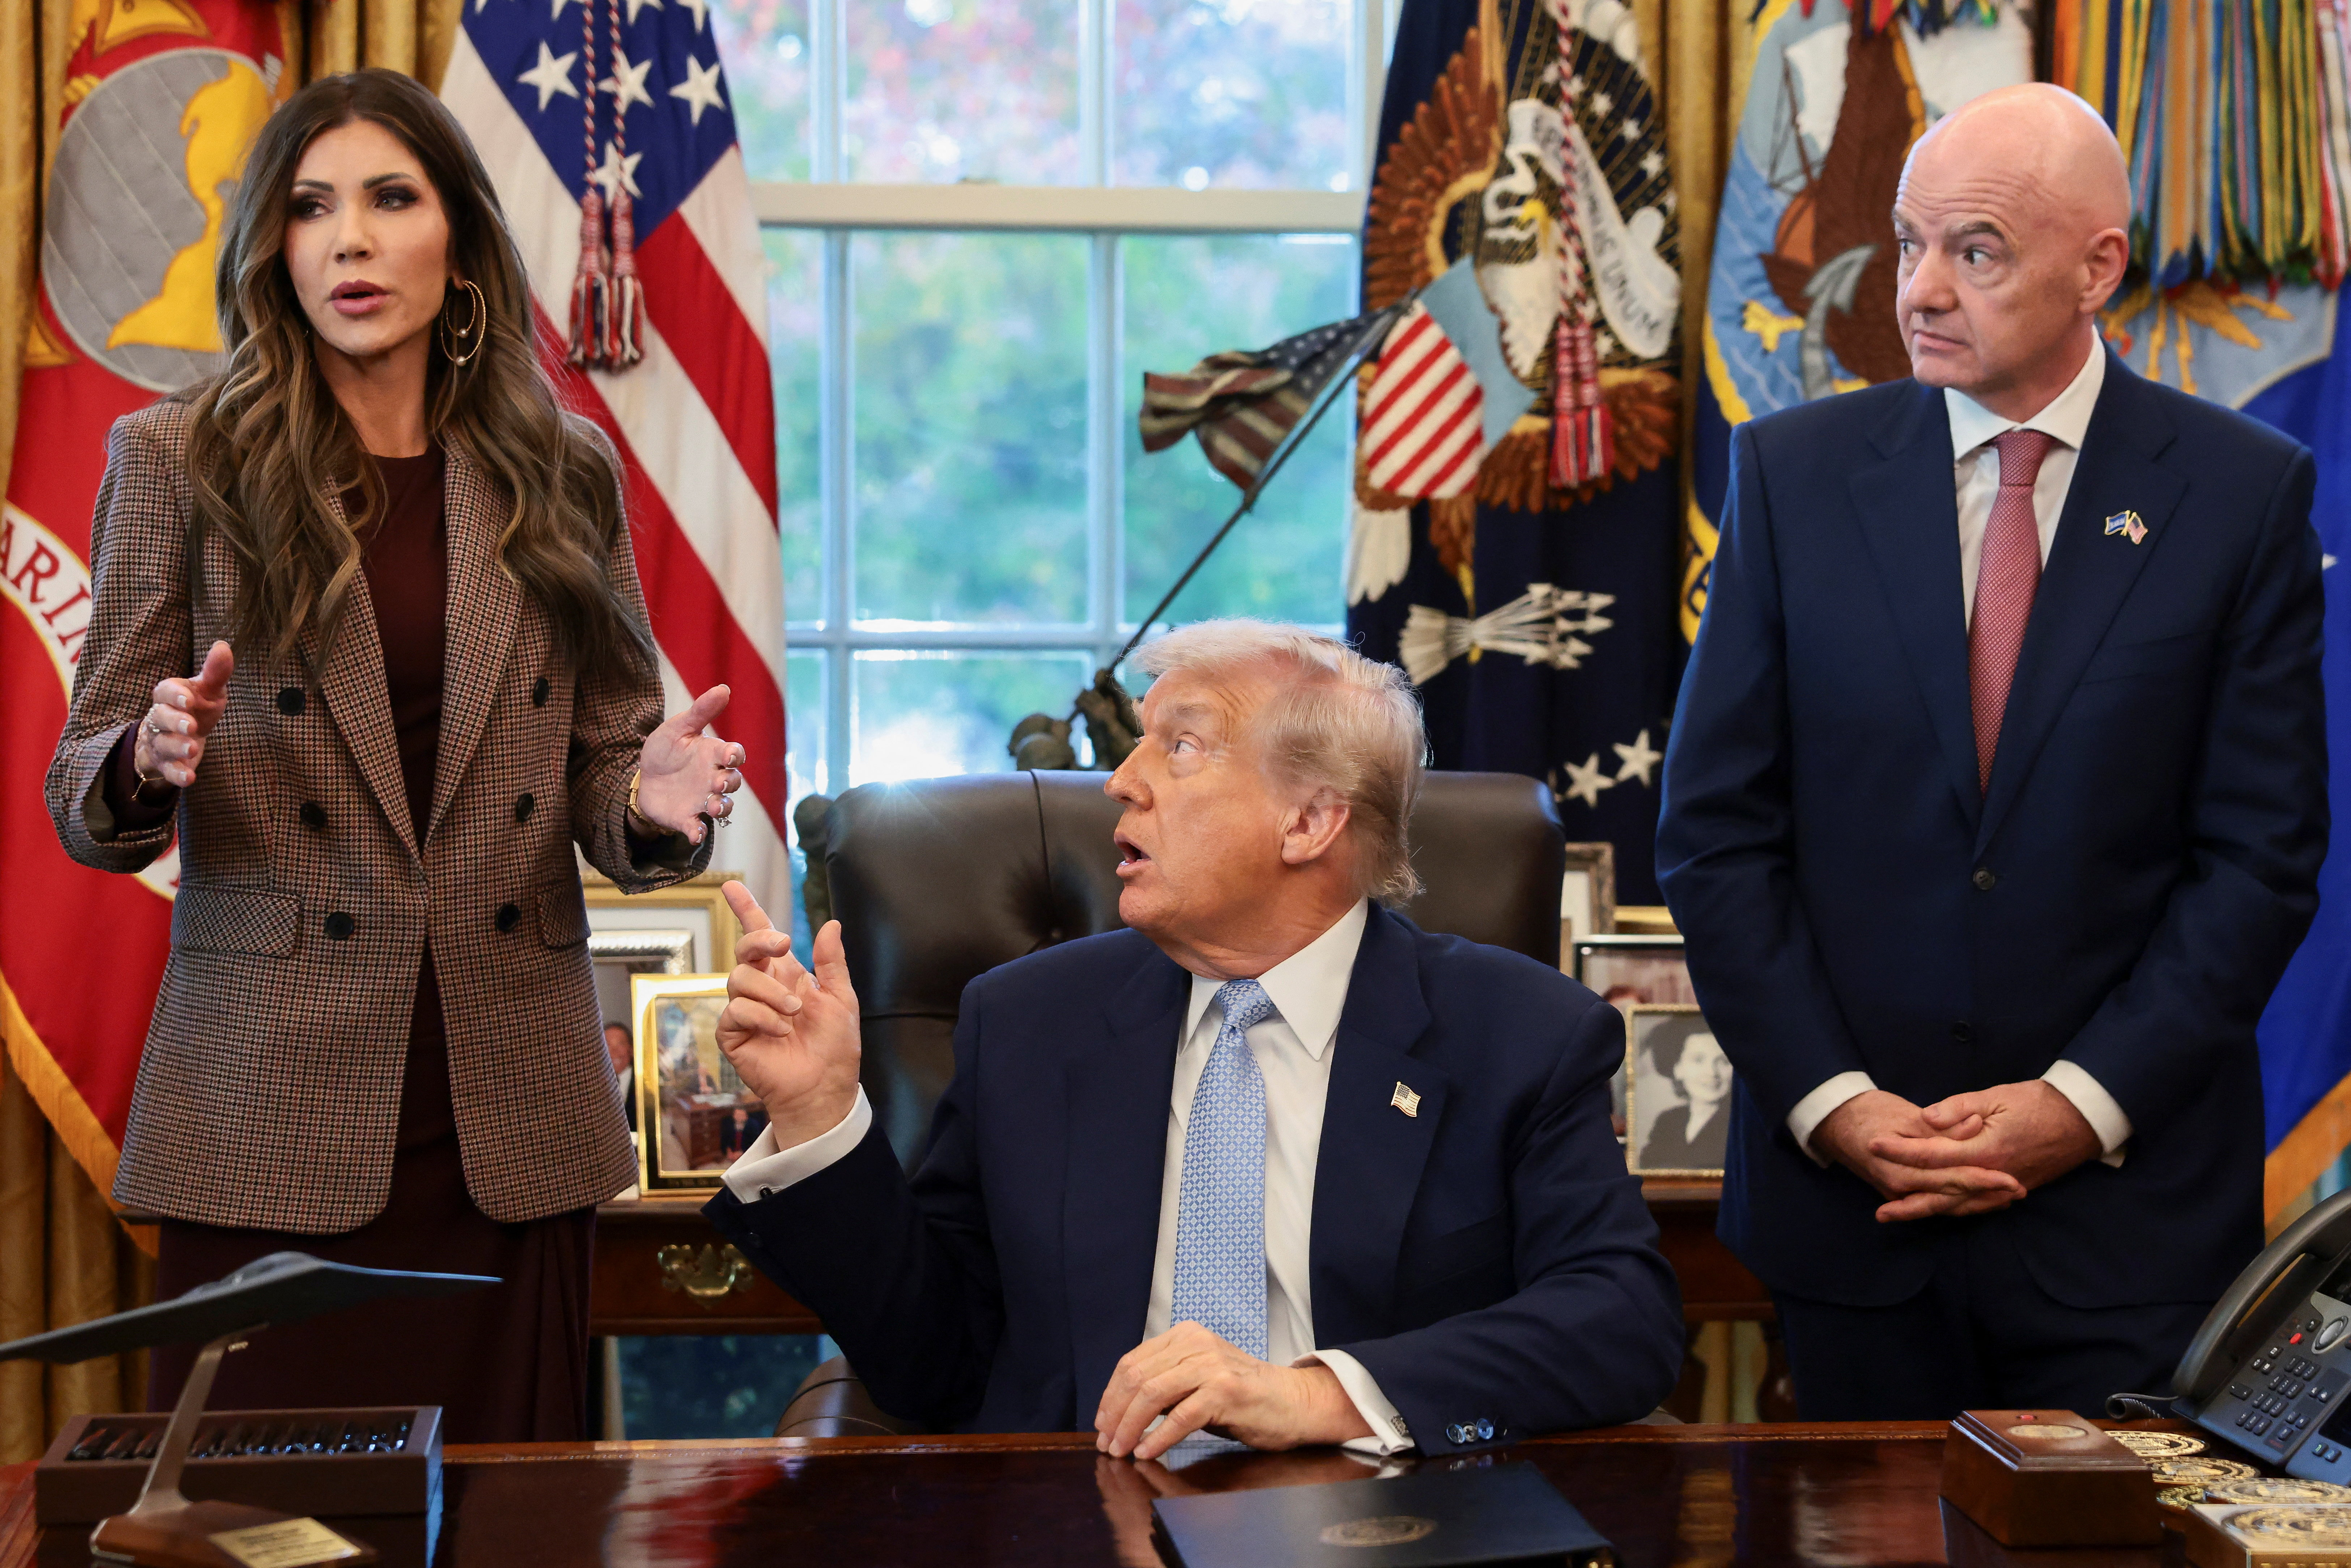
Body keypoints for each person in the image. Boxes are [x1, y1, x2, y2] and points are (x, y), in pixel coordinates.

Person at [45, 70, 748, 1441]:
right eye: (310, 208)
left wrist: (651, 805)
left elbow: (605, 763)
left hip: (507, 1107)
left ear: (459, 242)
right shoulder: (175, 459)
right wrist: (146, 753)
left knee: (509, 1520)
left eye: (389, 198)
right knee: (255, 1527)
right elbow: (84, 782)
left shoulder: (565, 469)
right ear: (273, 250)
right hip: (269, 1103)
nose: (349, 240)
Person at [1658, 85, 2327, 1419]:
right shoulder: (1789, 477)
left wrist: (2076, 1106)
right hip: (1851, 1217)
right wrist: (1833, 1101)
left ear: (2096, 268)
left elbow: (2254, 862)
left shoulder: (2240, 493)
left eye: (1972, 251)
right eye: (1907, 245)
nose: (1917, 290)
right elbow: (1715, 835)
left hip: (2118, 1232)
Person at [704, 620, 1683, 1457]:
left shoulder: (1519, 1032)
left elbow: (1622, 1317)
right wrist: (819, 1112)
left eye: (1179, 747)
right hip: (1086, 1513)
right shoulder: (1027, 1022)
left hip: (1390, 1518)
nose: (1118, 782)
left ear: (1308, 820)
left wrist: (1314, 1392)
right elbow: (935, 1359)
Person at [1637, 1028, 1732, 1172]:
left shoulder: (1740, 1124)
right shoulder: (1668, 1121)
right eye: (1698, 1060)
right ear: (1678, 1068)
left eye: (1724, 1062)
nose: (1712, 1072)